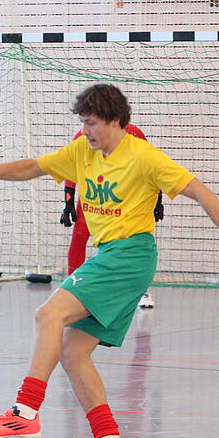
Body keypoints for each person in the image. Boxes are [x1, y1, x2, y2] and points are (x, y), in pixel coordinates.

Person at [0, 84, 219, 438]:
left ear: (116, 121)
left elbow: (202, 192)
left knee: (48, 315)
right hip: (112, 256)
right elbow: (35, 166)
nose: (85, 131)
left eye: (92, 123)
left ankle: (26, 409)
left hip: (130, 255)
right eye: (83, 122)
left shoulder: (144, 158)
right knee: (73, 352)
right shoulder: (83, 152)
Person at [60, 124, 162, 309]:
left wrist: (158, 198)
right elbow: (71, 166)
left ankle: (141, 290)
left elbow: (153, 165)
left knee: (135, 239)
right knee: (80, 235)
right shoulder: (82, 136)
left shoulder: (133, 133)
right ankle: (71, 287)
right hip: (95, 194)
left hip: (127, 197)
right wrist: (68, 202)